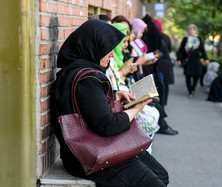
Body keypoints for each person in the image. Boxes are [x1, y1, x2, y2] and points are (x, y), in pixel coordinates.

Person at [50, 19, 169, 187]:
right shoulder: (87, 79)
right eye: (108, 49)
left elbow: (86, 103)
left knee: (161, 175)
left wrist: (115, 94)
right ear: (94, 46)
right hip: (90, 156)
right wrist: (137, 108)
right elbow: (107, 125)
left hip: (99, 147)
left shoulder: (77, 71)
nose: (112, 54)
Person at [142, 14, 178, 135]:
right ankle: (161, 124)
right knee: (159, 91)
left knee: (159, 91)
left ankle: (161, 123)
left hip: (151, 69)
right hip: (145, 73)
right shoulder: (151, 37)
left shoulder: (148, 37)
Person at [177, 24, 209, 97]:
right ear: (188, 31)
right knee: (188, 75)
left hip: (196, 60)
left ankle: (193, 88)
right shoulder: (185, 39)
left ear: (195, 31)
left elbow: (202, 50)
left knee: (197, 75)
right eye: (190, 29)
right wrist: (179, 59)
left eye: (193, 29)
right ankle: (190, 91)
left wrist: (206, 58)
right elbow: (180, 50)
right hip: (187, 60)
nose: (192, 31)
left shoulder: (199, 39)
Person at [152, 18, 174, 106]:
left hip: (157, 63)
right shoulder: (166, 37)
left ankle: (159, 103)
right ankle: (164, 102)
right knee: (165, 84)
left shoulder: (152, 37)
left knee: (158, 84)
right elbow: (170, 49)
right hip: (167, 63)